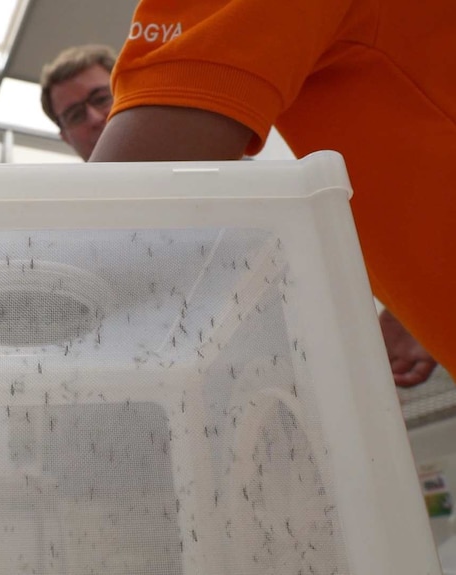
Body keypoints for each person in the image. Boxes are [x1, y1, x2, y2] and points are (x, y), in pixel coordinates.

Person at [40, 43, 444, 386]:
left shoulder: (243, 180)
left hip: (288, 387)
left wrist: (404, 312)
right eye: (75, 114)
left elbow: (354, 230)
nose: (93, 119)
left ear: (123, 93)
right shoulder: (63, 238)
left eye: (99, 98)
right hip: (147, 401)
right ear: (63, 134)